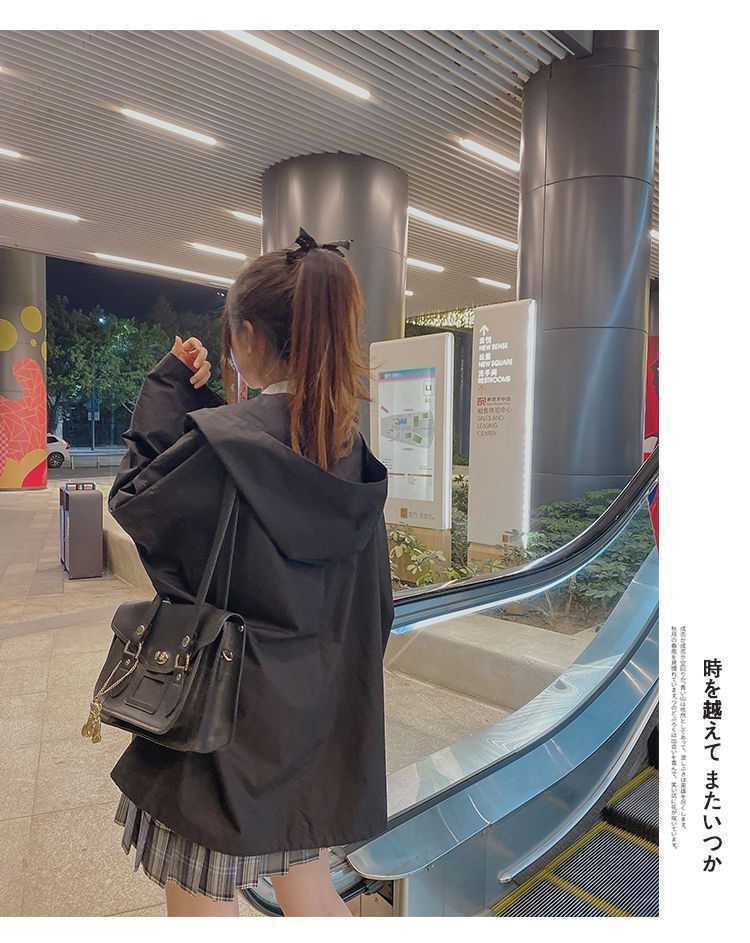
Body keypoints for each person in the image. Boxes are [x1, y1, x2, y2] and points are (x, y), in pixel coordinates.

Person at [107, 230, 394, 917]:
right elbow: (374, 602)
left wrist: (168, 388)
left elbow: (141, 501)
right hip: (312, 723)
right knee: (308, 886)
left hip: (222, 723)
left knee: (202, 899)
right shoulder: (345, 448)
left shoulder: (227, 444)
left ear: (247, 336)